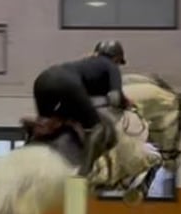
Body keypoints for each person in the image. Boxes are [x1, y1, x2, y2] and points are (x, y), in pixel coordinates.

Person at [32, 40, 128, 176]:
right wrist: (124, 103)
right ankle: (83, 174)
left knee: (47, 125)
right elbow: (115, 98)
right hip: (69, 84)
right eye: (118, 61)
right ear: (116, 58)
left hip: (43, 80)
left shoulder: (86, 64)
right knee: (98, 128)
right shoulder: (111, 65)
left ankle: (30, 146)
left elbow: (82, 98)